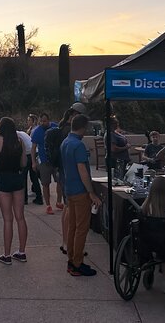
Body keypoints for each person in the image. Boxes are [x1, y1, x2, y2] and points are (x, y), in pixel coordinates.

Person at [61, 114, 101, 277]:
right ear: (83, 127)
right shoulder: (78, 145)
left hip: (69, 189)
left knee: (72, 227)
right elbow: (82, 170)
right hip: (80, 191)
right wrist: (91, 193)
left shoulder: (65, 142)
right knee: (81, 228)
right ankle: (77, 263)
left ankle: (71, 259)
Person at [0, 116, 28, 265]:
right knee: (20, 217)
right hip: (17, 178)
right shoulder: (20, 141)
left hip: (4, 179)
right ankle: (22, 252)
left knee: (7, 219)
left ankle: (7, 255)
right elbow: (24, 162)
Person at [57, 102, 86, 255]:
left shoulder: (62, 127)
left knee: (66, 209)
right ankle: (69, 244)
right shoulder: (69, 131)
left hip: (62, 172)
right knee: (69, 210)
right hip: (69, 174)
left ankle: (66, 242)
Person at [31, 113, 62, 214]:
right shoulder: (37, 132)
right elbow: (33, 148)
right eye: (41, 121)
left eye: (44, 121)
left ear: (49, 120)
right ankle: (48, 205)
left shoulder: (55, 127)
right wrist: (33, 162)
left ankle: (58, 201)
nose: (42, 123)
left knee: (60, 181)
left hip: (56, 160)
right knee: (45, 184)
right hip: (44, 161)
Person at [22, 115, 43, 205]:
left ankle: (24, 199)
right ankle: (39, 197)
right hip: (32, 154)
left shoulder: (35, 130)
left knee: (24, 177)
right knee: (34, 177)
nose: (28, 122)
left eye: (29, 120)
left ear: (34, 121)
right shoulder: (29, 130)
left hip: (30, 154)